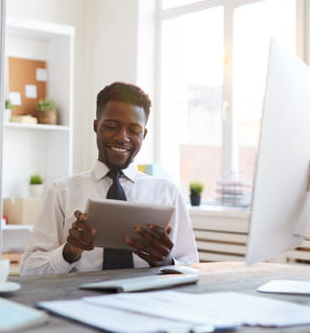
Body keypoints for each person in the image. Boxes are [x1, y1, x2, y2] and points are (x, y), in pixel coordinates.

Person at [20, 82, 198, 276]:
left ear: (144, 134)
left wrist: (165, 261)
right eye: (112, 126)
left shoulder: (167, 192)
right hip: (80, 300)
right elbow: (29, 270)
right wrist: (69, 252)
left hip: (145, 300)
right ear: (96, 126)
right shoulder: (62, 191)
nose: (122, 137)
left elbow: (190, 267)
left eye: (134, 130)